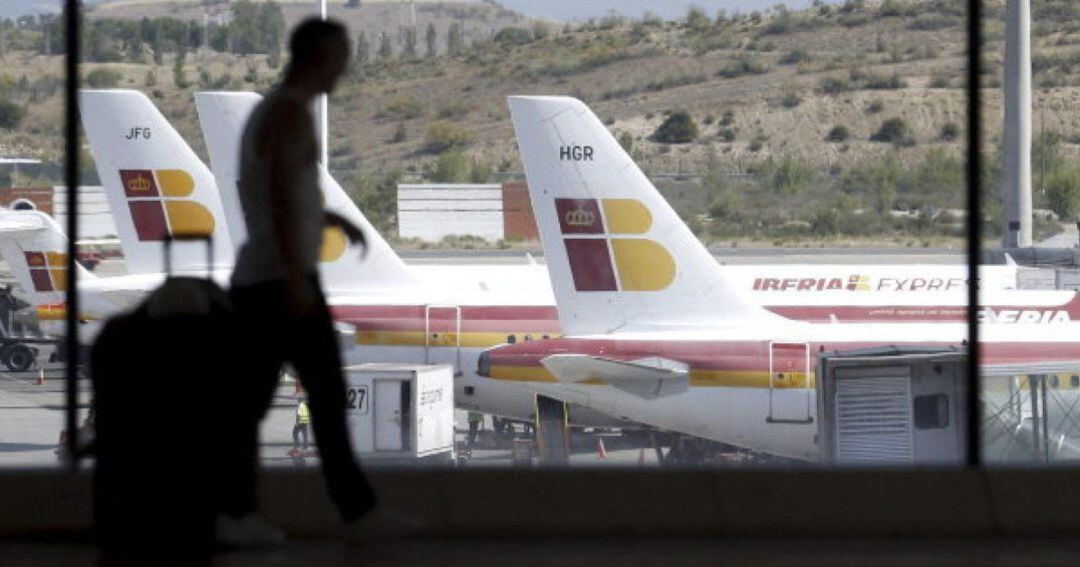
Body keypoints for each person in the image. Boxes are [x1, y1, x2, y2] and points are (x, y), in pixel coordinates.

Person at [222, 17, 376, 536]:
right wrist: (294, 280)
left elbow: (265, 192)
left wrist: (332, 220)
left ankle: (239, 513)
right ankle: (351, 512)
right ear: (318, 57)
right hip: (279, 281)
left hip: (265, 278)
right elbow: (283, 198)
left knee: (256, 404)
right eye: (339, 56)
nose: (345, 68)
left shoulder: (275, 111)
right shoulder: (290, 115)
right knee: (318, 399)